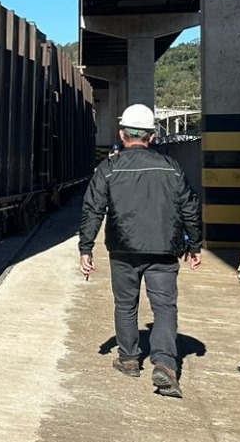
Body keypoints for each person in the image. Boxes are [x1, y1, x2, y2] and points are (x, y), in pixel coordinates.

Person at [79, 104, 203, 397]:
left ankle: (129, 359)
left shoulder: (109, 168)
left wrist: (86, 247)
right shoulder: (171, 167)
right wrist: (195, 244)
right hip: (164, 250)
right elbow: (190, 207)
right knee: (164, 307)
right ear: (152, 136)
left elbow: (92, 209)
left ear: (122, 134)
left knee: (126, 305)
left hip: (123, 249)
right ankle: (165, 364)